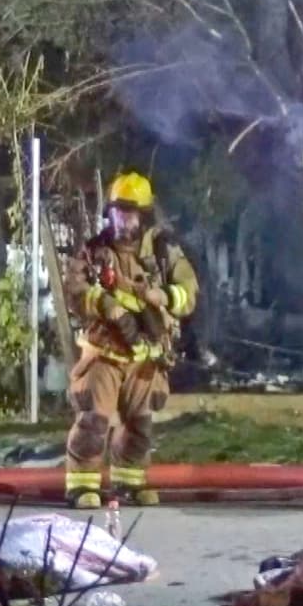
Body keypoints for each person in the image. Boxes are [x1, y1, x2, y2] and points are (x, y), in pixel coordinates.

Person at [62, 172, 199, 509]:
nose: (123, 219)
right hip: (105, 352)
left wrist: (163, 296)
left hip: (146, 356)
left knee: (140, 423)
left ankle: (129, 482)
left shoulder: (165, 253)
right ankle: (81, 485)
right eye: (118, 211)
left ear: (144, 214)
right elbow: (74, 290)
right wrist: (107, 305)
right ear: (109, 213)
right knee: (94, 418)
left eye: (130, 212)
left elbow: (189, 293)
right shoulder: (95, 252)